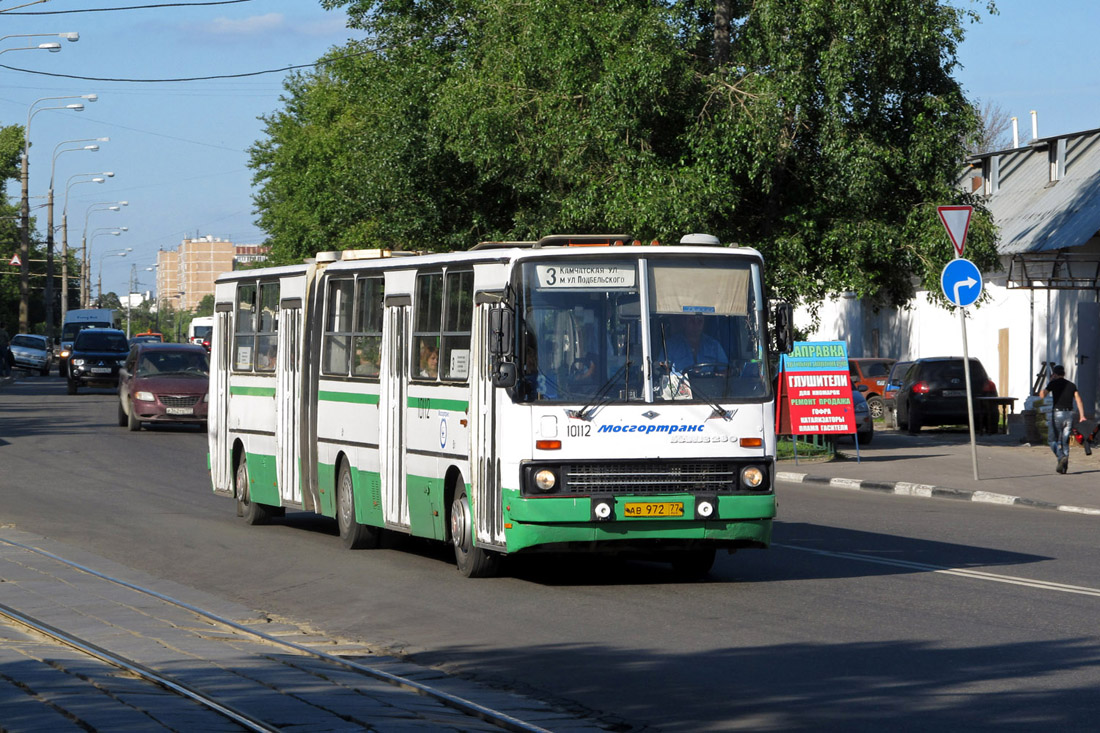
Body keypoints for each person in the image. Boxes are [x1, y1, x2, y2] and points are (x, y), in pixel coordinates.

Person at [1039, 364, 1088, 474]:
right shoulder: (1071, 385)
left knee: (1052, 440)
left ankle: (1061, 457)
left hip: (1057, 414)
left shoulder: (1053, 383)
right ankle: (1064, 467)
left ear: (1055, 374)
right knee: (1065, 441)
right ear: (1064, 374)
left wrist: (1050, 381)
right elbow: (1078, 400)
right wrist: (1082, 415)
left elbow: (1042, 395)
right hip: (1069, 414)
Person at [657, 313, 728, 373]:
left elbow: (725, 370)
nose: (696, 325)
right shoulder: (671, 345)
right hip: (679, 387)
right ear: (684, 322)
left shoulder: (714, 345)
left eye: (699, 321)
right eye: (691, 321)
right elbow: (662, 369)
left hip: (709, 387)